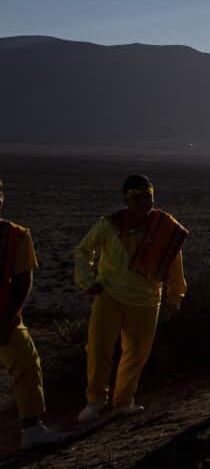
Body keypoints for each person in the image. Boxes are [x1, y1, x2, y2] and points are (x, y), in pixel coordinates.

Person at [74, 174, 187, 421]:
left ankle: (124, 401)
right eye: (137, 198)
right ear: (126, 200)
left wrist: (175, 297)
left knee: (137, 354)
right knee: (98, 349)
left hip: (146, 300)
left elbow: (174, 263)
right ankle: (95, 401)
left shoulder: (164, 227)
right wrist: (88, 281)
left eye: (148, 197)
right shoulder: (110, 224)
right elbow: (83, 251)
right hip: (109, 296)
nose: (144, 203)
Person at [0, 179, 71, 449]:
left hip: (5, 318)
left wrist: (6, 321)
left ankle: (31, 430)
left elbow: (23, 282)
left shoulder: (17, 236)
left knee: (28, 365)